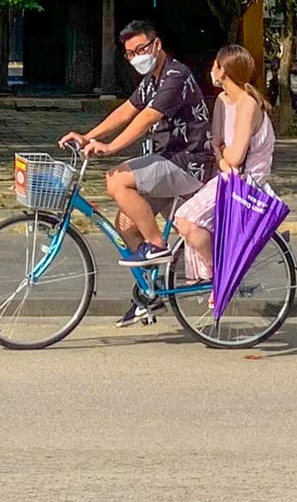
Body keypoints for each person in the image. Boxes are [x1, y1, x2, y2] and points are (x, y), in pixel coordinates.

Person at [59, 21, 211, 328]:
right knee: (125, 222)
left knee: (117, 179)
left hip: (187, 162)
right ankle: (149, 292)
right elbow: (127, 110)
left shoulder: (175, 76)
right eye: (129, 53)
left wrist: (111, 147)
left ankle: (156, 246)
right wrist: (88, 136)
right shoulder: (151, 79)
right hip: (165, 159)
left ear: (156, 45)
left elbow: (148, 118)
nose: (136, 57)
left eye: (140, 49)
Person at [174, 44, 275, 290]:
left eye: (215, 65)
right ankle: (209, 278)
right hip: (227, 176)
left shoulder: (247, 104)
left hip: (246, 182)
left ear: (224, 71)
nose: (212, 70)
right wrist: (222, 156)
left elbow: (236, 156)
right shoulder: (222, 100)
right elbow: (216, 142)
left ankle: (219, 274)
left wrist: (224, 154)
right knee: (187, 221)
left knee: (185, 219)